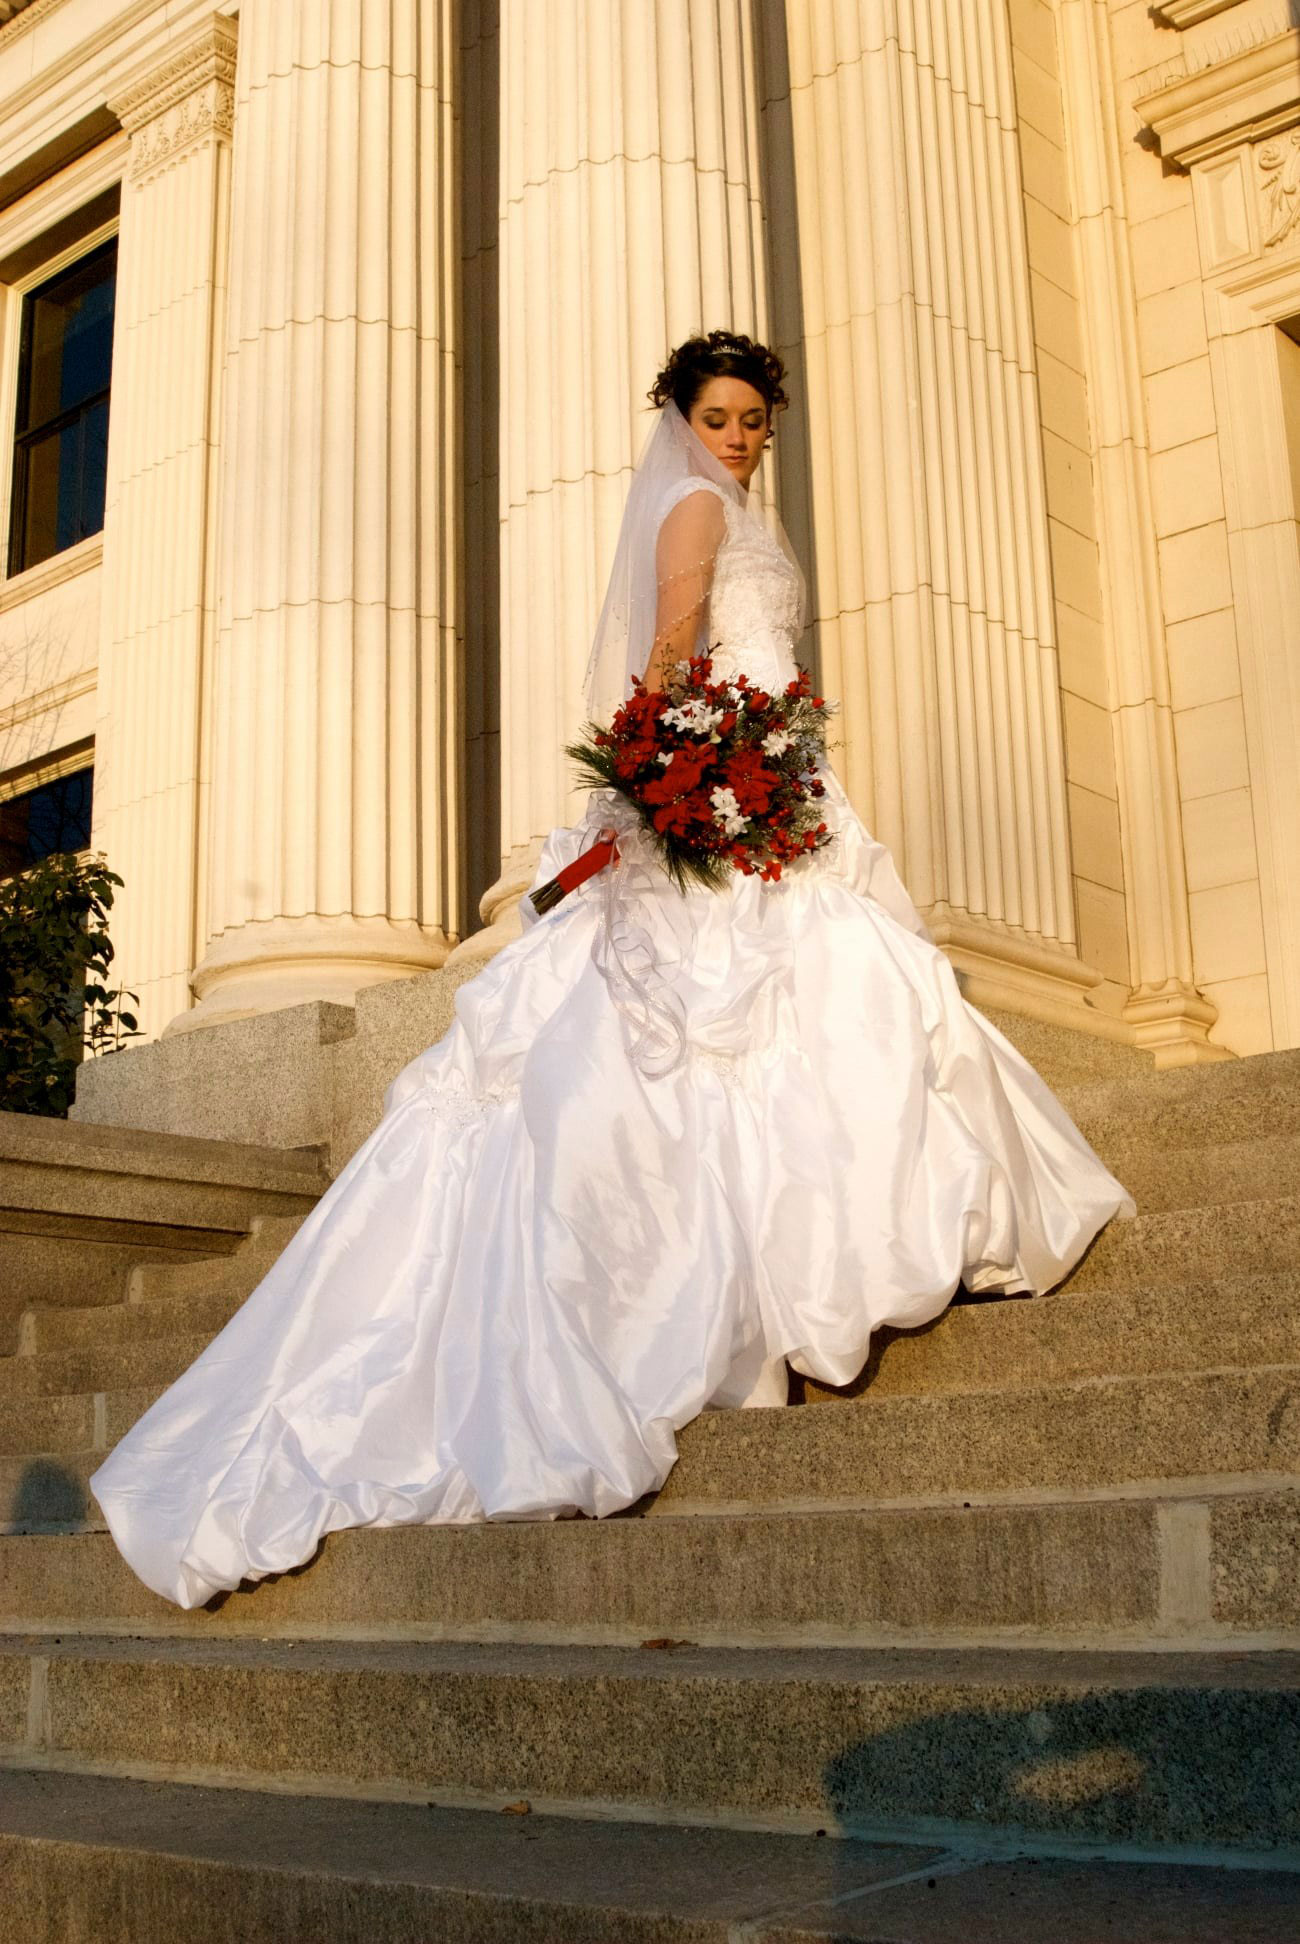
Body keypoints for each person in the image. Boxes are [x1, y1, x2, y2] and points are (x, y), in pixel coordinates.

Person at [91, 331, 1135, 1609]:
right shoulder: (695, 506)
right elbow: (669, 651)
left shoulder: (739, 501)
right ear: (679, 420)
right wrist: (679, 780)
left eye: (755, 417)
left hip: (774, 775)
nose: (738, 435)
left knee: (826, 989)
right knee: (712, 1017)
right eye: (718, 415)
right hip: (725, 779)